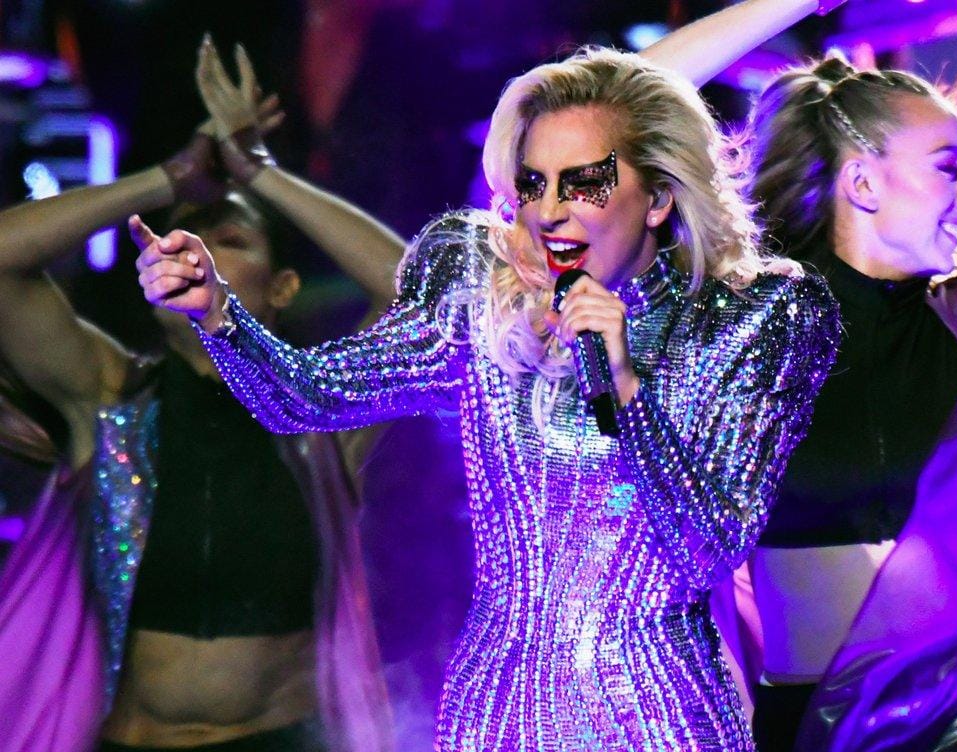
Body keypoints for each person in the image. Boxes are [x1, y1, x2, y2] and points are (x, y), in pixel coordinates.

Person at [135, 46, 840, 751]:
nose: (550, 212)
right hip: (498, 713)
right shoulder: (483, 302)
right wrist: (218, 313)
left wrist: (623, 384)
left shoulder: (741, 323)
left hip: (659, 717)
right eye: (534, 184)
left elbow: (703, 550)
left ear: (658, 198)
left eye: (585, 184)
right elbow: (307, 398)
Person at [0, 44, 405, 751]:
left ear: (282, 288)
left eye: (230, 238)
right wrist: (167, 179)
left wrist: (261, 173)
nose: (199, 251)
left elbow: (412, 291)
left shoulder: (325, 410)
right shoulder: (110, 394)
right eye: (183, 233)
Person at [724, 53, 957, 751]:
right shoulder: (748, 336)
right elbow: (588, 111)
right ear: (861, 182)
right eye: (948, 168)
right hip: (809, 729)